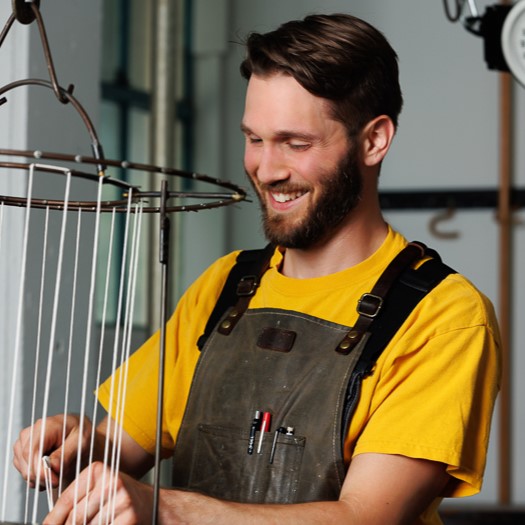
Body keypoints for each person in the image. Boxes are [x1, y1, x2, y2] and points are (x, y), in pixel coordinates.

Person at [13, 12, 500, 525]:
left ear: (374, 140)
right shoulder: (226, 287)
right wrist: (79, 445)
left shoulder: (441, 315)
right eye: (255, 138)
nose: (266, 170)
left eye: (296, 143)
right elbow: (121, 444)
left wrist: (166, 508)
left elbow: (366, 516)